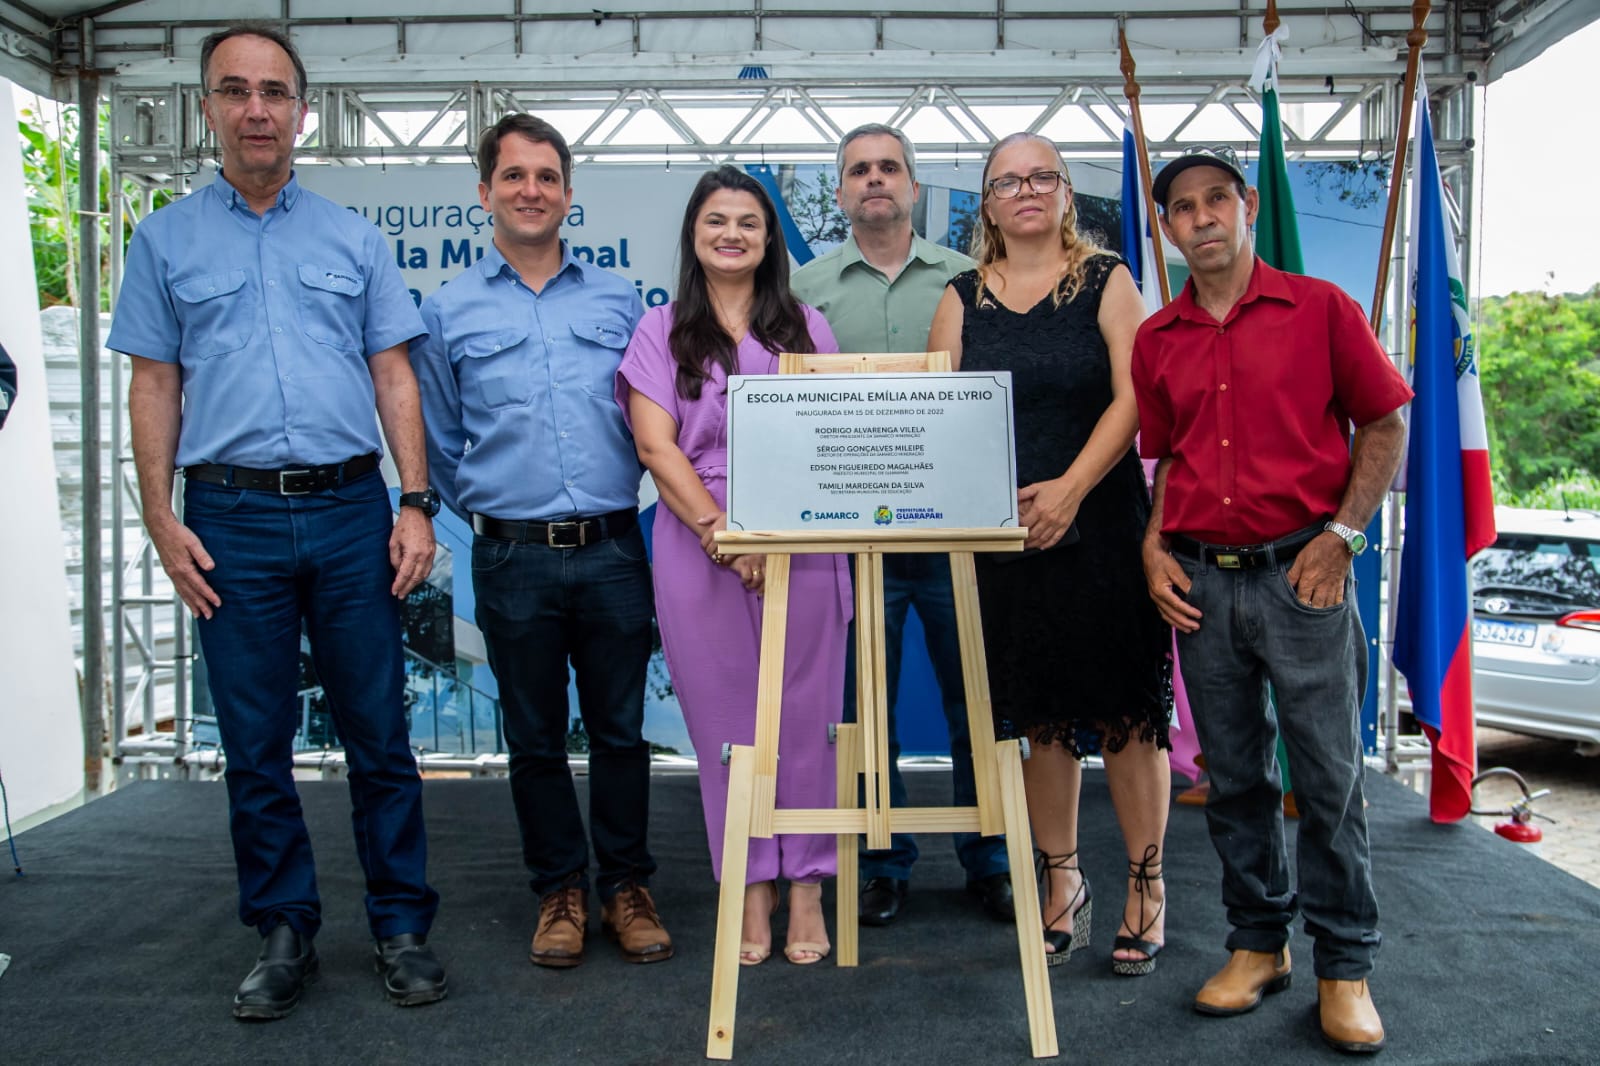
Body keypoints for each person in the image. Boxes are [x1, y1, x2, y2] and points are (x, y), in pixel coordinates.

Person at [109, 24, 446, 1020]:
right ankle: (284, 928)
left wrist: (415, 502)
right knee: (254, 742)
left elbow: (396, 376)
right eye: (235, 91)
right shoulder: (165, 239)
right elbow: (152, 385)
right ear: (207, 107)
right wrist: (161, 520)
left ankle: (401, 925)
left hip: (351, 513)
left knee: (379, 734)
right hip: (229, 520)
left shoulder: (353, 239)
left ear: (303, 109)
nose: (256, 108)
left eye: (274, 92)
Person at [1133, 145, 1409, 1054]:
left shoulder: (1322, 309)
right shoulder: (1157, 338)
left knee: (1327, 780)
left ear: (1247, 207)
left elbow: (1384, 424)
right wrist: (1152, 543)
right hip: (1203, 584)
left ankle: (1345, 964)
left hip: (1306, 576)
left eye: (1219, 200)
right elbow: (1168, 458)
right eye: (1183, 207)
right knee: (1236, 781)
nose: (1203, 217)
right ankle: (1258, 946)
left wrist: (1342, 538)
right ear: (1167, 226)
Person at [413, 114, 671, 970]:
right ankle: (559, 889)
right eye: (515, 176)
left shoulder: (619, 301)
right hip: (511, 557)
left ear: (568, 194)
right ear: (484, 192)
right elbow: (443, 442)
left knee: (622, 731)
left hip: (611, 548)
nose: (532, 190)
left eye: (548, 177)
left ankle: (626, 886)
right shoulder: (447, 311)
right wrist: (501, 512)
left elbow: (649, 420)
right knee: (533, 736)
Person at [928, 132, 1173, 976]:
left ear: (1067, 194)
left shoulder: (1106, 281)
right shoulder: (960, 297)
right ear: (986, 204)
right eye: (1007, 181)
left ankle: (1147, 884)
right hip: (1008, 538)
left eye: (1043, 177)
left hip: (1100, 526)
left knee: (1129, 716)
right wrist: (1001, 505)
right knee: (1041, 722)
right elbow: (941, 420)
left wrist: (1069, 489)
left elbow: (1138, 396)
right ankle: (1061, 881)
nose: (1026, 191)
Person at [617, 166, 850, 966]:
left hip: (808, 542)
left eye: (749, 222)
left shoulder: (809, 326)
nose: (732, 234)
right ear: (693, 234)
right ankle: (751, 885)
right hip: (698, 541)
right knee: (727, 727)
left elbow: (830, 442)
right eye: (716, 220)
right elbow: (656, 446)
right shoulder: (661, 330)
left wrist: (776, 535)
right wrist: (725, 535)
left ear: (768, 238)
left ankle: (810, 885)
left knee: (809, 723)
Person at [791, 123, 1012, 927]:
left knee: (980, 705)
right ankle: (882, 861)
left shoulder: (972, 281)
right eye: (858, 170)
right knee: (864, 710)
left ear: (914, 188)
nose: (874, 180)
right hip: (852, 548)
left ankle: (992, 859)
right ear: (842, 192)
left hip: (959, 537)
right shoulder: (805, 291)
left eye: (890, 168)